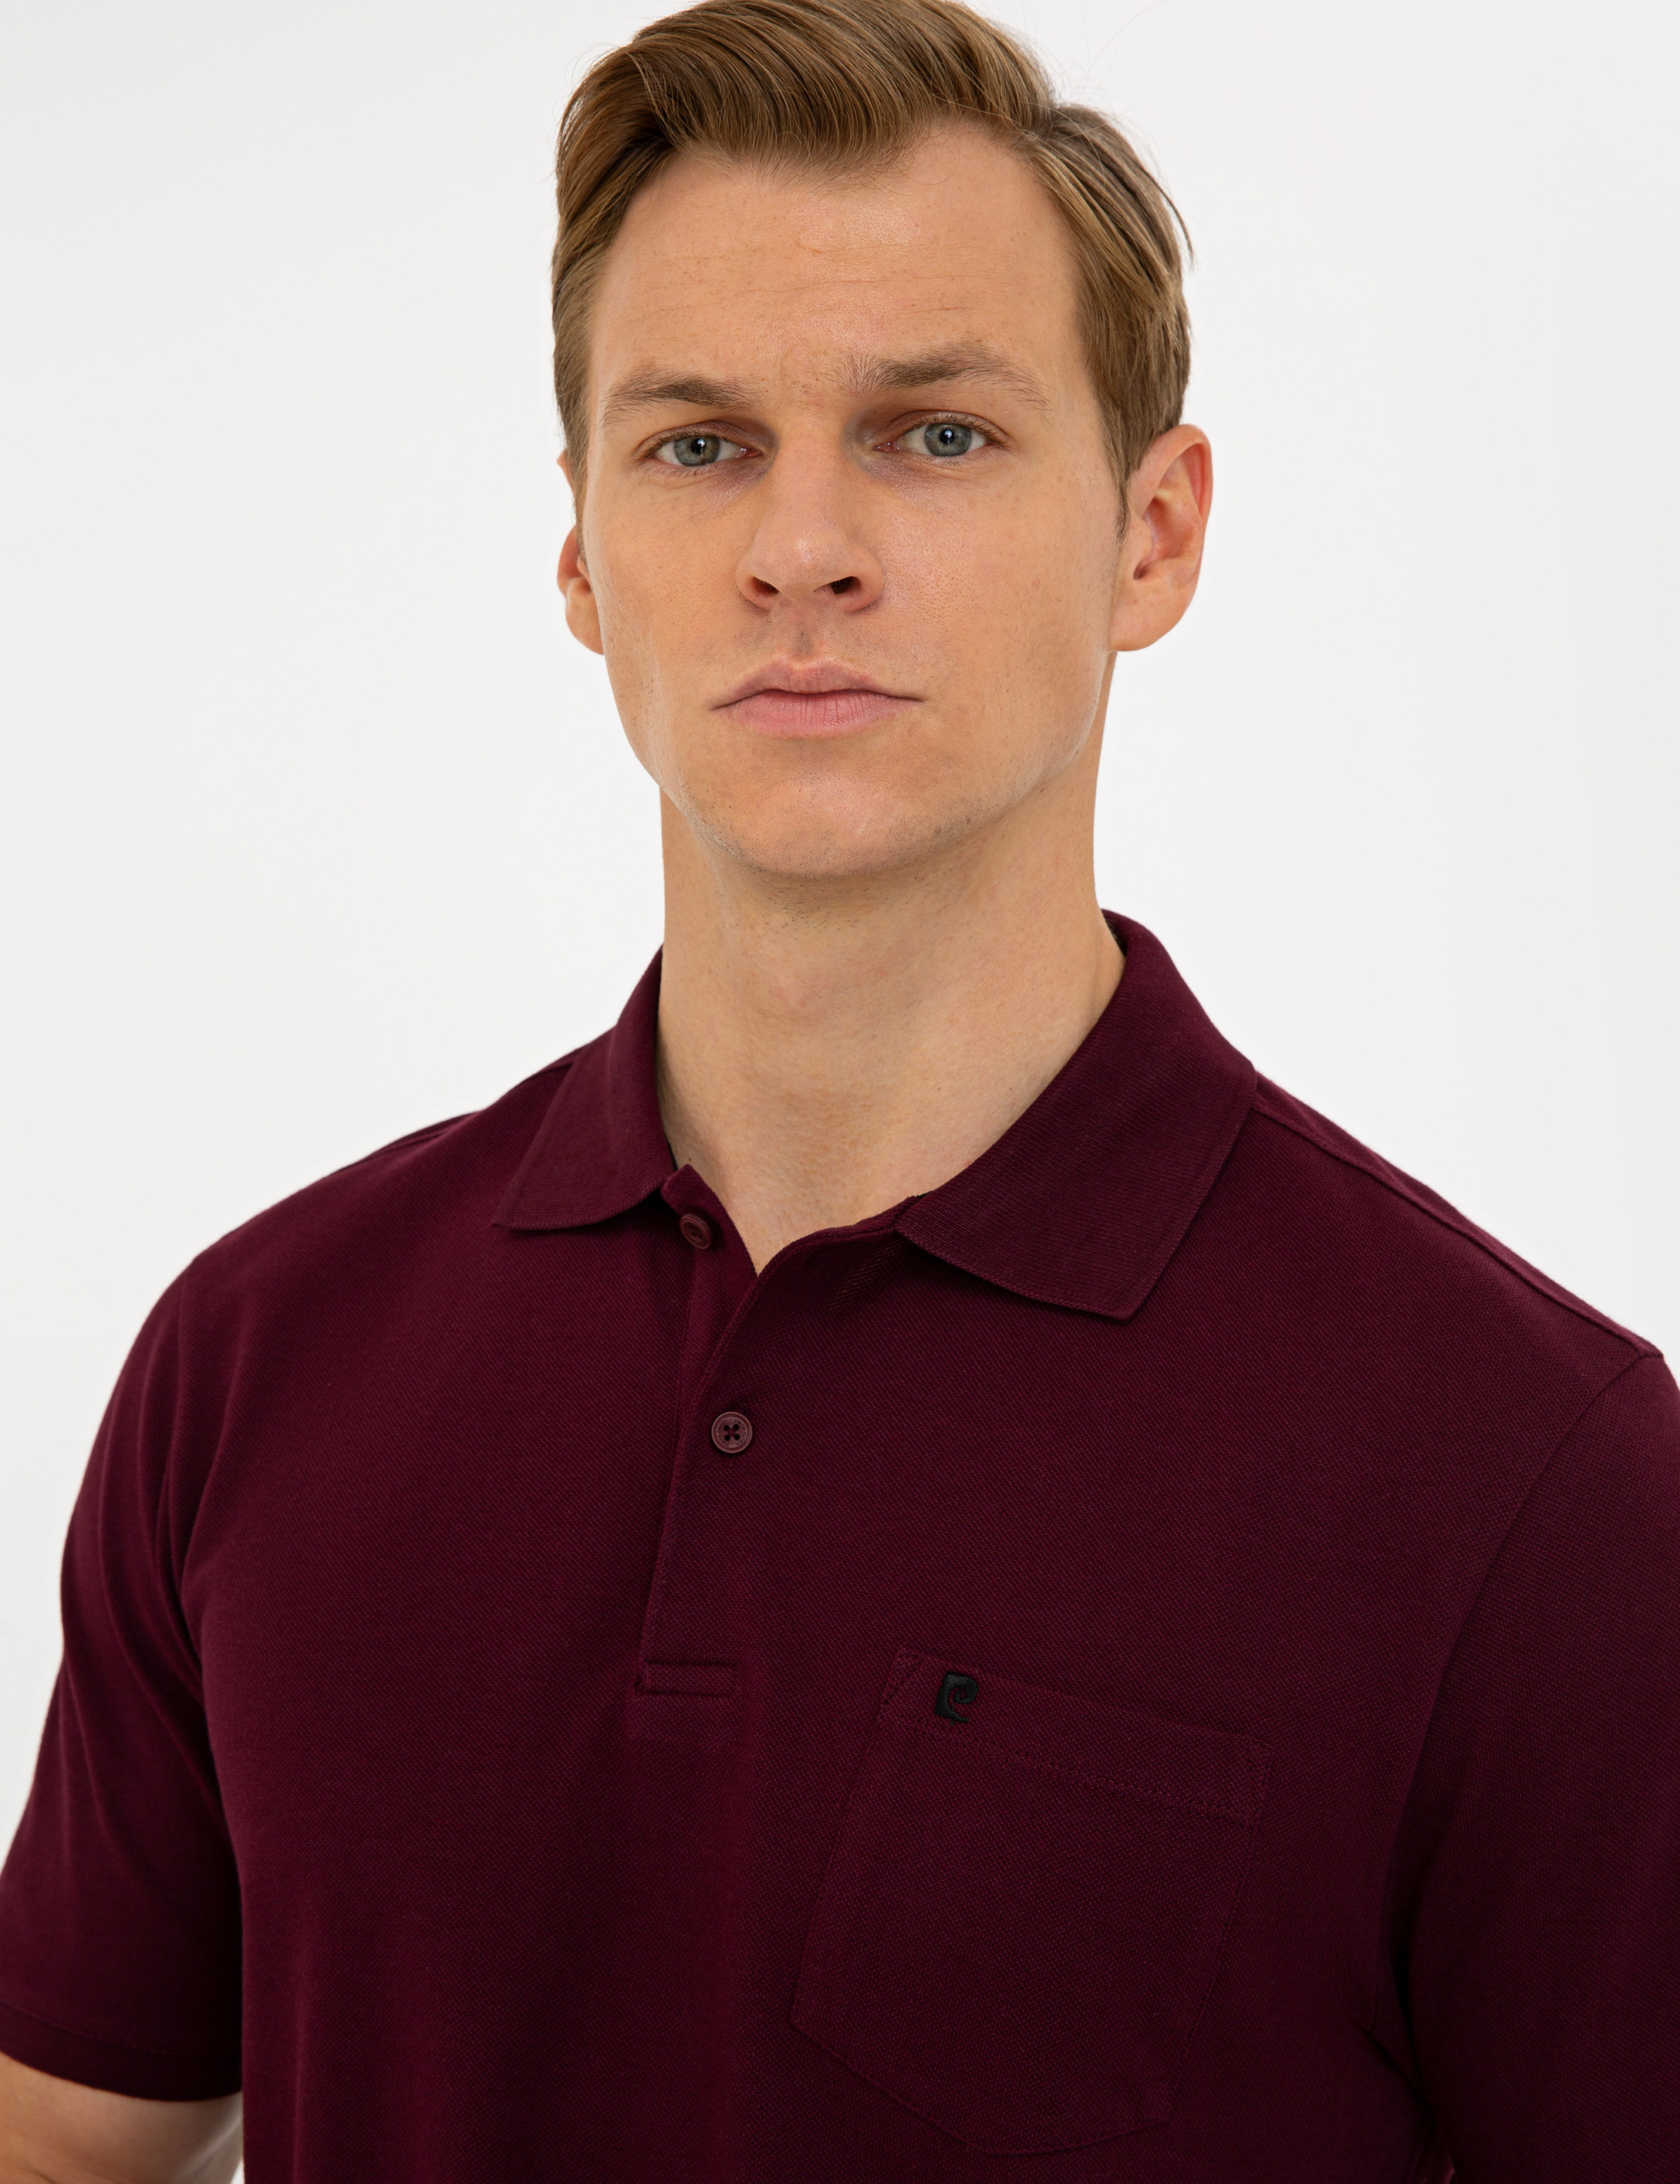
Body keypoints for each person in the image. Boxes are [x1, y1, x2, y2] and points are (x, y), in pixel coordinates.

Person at [2, 0, 1677, 2176]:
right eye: (698, 444)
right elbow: (69, 2138)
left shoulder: (1530, 1477)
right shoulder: (258, 1355)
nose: (801, 546)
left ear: (1154, 533)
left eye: (934, 433)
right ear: (583, 554)